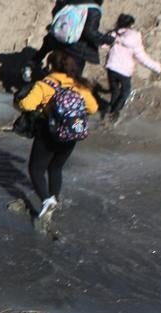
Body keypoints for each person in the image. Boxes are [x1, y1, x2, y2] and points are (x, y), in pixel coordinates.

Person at [17, 49, 99, 220]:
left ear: (51, 65)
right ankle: (55, 198)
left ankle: (47, 201)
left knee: (36, 169)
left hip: (48, 133)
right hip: (71, 133)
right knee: (56, 167)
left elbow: (27, 105)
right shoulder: (79, 85)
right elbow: (93, 108)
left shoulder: (45, 84)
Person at [28, 0, 114, 78]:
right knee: (73, 77)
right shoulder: (94, 10)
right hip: (75, 48)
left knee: (43, 51)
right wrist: (108, 39)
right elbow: (90, 33)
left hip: (55, 37)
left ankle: (30, 67)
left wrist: (61, 27)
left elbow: (56, 11)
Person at [104, 13, 161, 120]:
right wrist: (157, 67)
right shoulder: (134, 37)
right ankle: (114, 114)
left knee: (115, 91)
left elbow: (103, 45)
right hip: (124, 71)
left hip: (111, 67)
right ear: (131, 24)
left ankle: (109, 111)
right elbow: (142, 58)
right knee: (125, 92)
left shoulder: (114, 34)